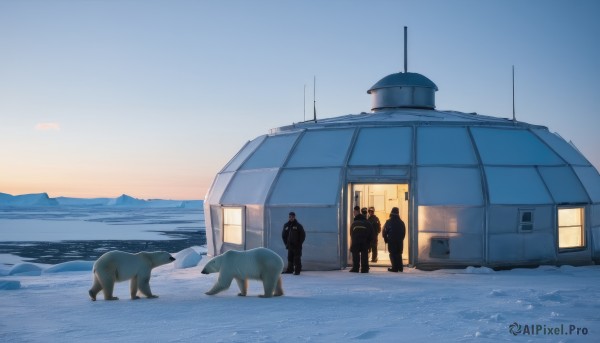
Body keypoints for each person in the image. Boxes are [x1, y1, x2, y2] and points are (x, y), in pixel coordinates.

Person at [349, 206, 373, 273]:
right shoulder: (367, 223)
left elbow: (351, 233)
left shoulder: (354, 223)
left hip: (355, 242)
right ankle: (364, 268)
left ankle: (355, 268)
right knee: (364, 255)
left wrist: (353, 240)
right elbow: (371, 233)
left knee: (355, 255)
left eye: (354, 212)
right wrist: (369, 242)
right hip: (364, 242)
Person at [382, 207, 406, 272]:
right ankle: (400, 268)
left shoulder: (388, 222)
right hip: (399, 241)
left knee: (392, 254)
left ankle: (394, 268)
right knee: (399, 253)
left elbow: (384, 231)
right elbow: (404, 233)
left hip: (391, 240)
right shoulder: (402, 222)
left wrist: (386, 239)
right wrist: (401, 239)